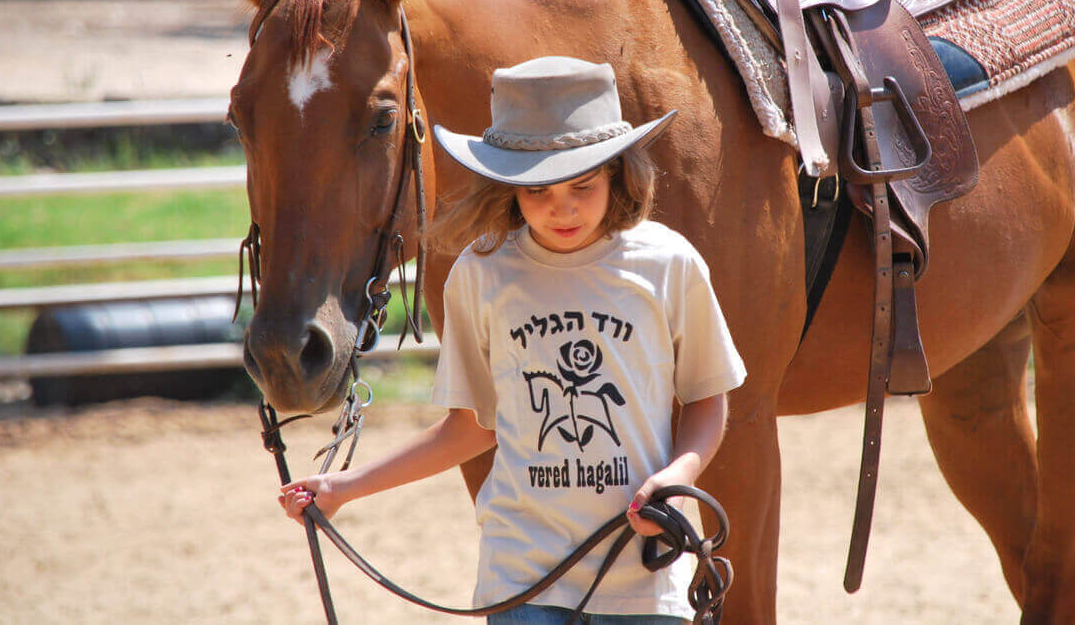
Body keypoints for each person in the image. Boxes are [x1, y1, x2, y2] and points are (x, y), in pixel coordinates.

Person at [279, 56, 746, 624]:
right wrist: (344, 486)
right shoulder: (481, 275)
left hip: (644, 577)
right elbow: (472, 427)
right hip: (522, 577)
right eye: (539, 190)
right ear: (509, 186)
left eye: (583, 184)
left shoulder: (668, 264)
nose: (563, 207)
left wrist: (677, 479)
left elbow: (707, 397)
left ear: (618, 173)